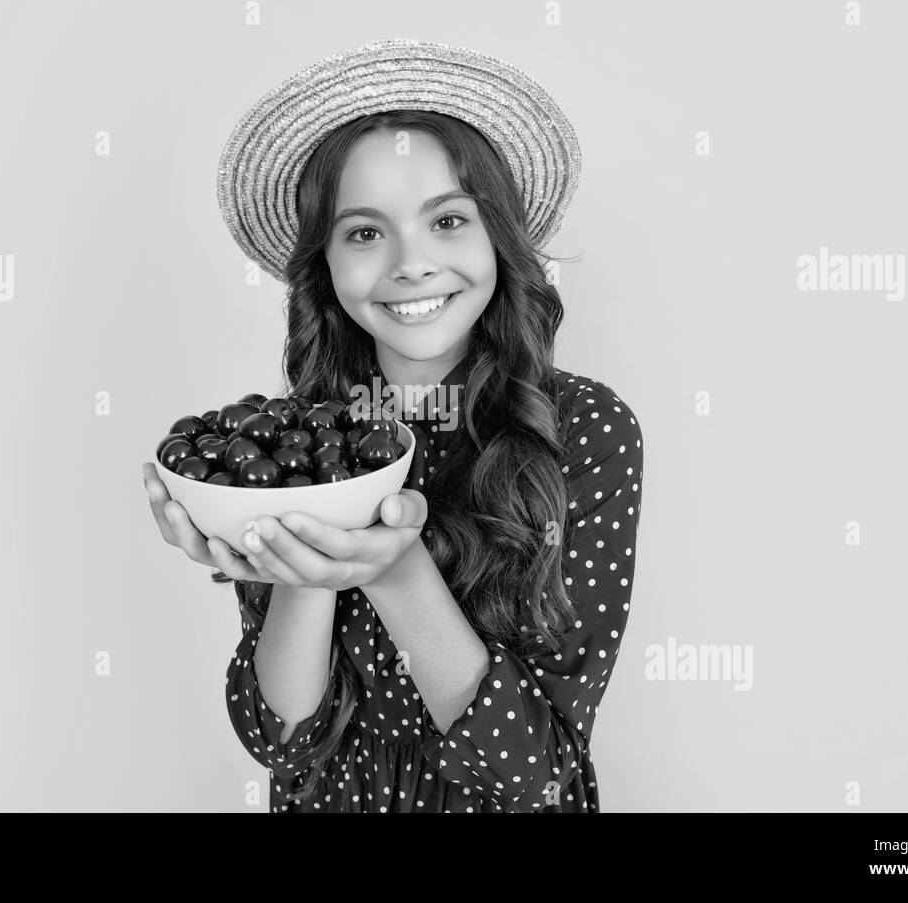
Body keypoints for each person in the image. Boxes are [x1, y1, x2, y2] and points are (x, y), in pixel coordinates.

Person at [142, 39, 643, 812]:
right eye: (366, 232)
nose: (411, 263)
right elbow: (281, 739)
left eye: (447, 219)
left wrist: (391, 567)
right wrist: (299, 559)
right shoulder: (296, 446)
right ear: (328, 264)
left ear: (496, 237)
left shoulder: (584, 430)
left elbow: (536, 774)